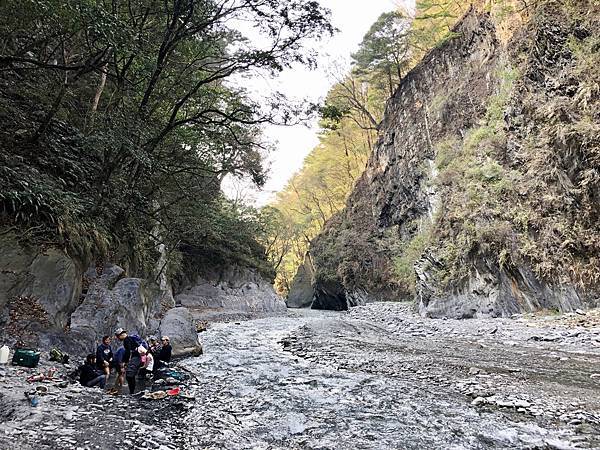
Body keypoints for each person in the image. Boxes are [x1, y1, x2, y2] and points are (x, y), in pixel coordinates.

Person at [114, 327, 146, 394]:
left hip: (135, 358)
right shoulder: (131, 338)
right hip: (138, 358)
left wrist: (124, 362)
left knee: (129, 375)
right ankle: (132, 391)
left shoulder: (126, 340)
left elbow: (128, 352)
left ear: (121, 335)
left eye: (118, 337)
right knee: (131, 375)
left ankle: (132, 392)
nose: (118, 338)